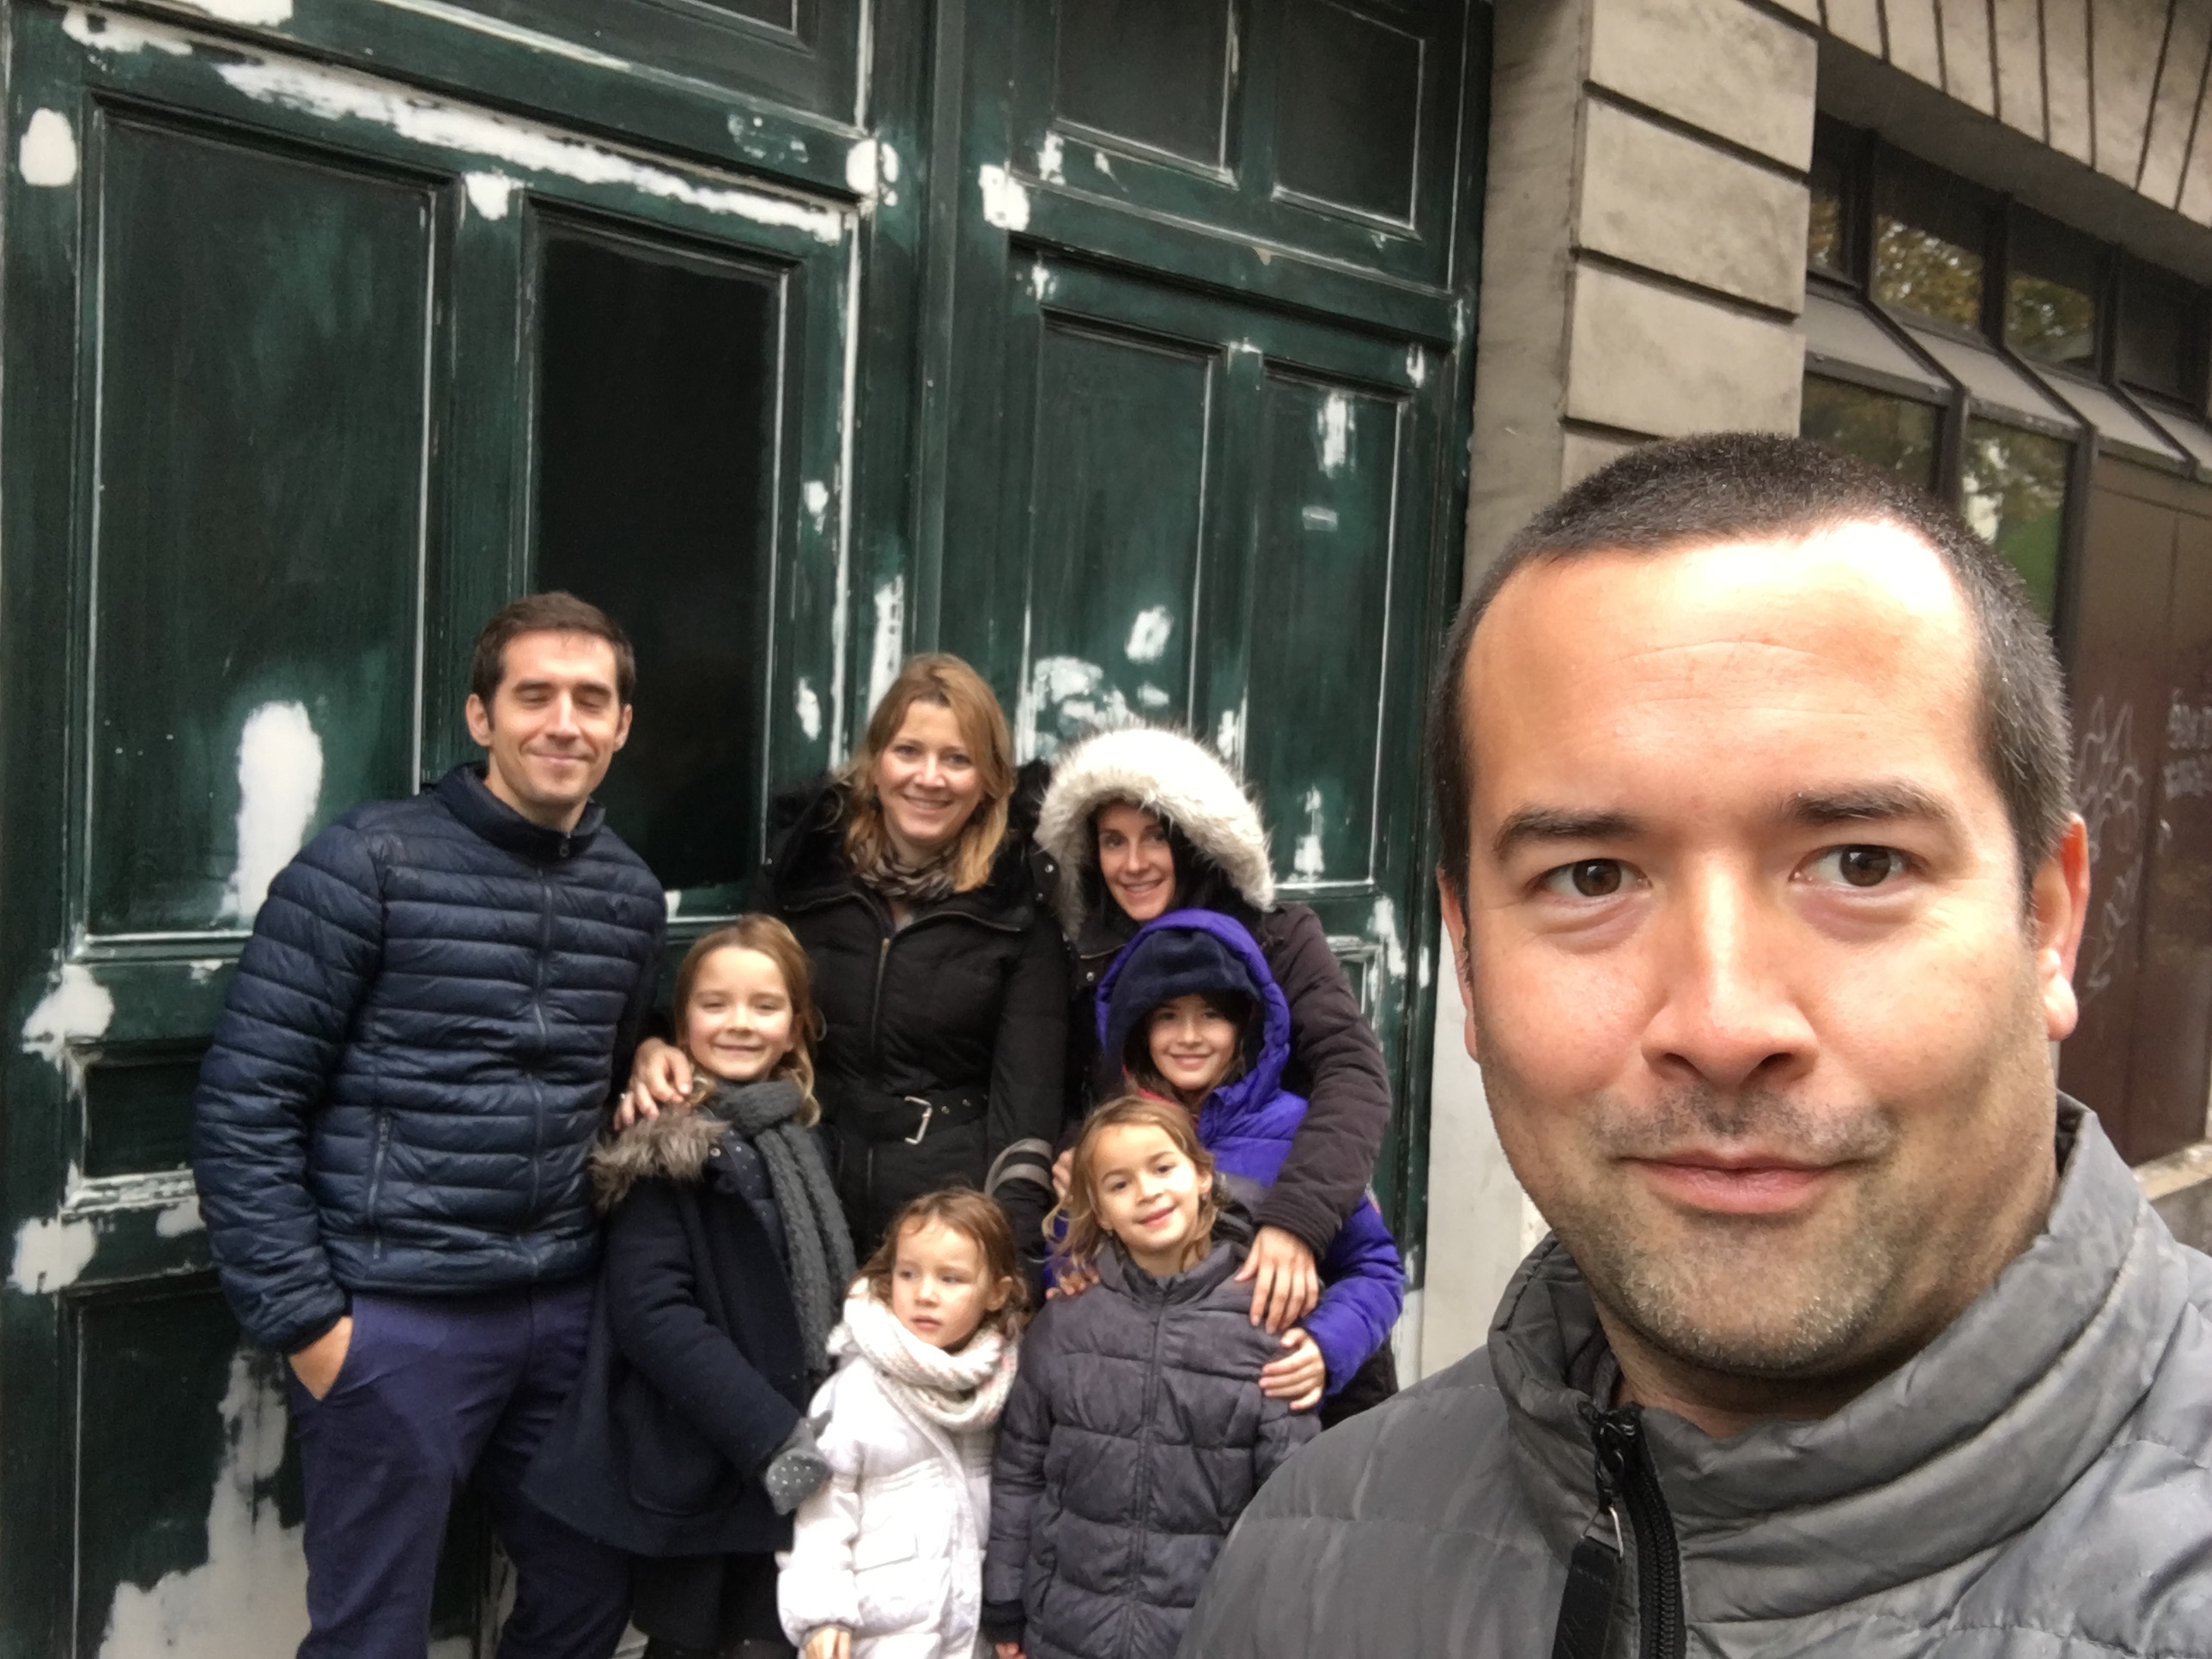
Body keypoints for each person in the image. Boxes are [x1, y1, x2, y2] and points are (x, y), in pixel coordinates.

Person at [1180, 434, 2212, 1658]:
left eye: (1860, 864)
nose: (1722, 1027)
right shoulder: (1300, 1572)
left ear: (2047, 919)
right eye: (1591, 877)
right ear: (1467, 956)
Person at [191, 592, 666, 1659]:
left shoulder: (631, 895)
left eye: (590, 700)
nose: (564, 722)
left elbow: (602, 1067)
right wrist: (312, 1328)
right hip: (397, 1316)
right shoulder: (368, 862)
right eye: (533, 696)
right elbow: (246, 1103)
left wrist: (655, 1048)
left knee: (588, 1601)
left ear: (622, 726)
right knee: (373, 1633)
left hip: (562, 1312)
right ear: (480, 716)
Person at [631, 654, 1065, 1273]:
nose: (929, 778)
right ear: (875, 761)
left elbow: (1028, 1108)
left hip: (942, 1215)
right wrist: (654, 1044)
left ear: (991, 779)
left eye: (957, 759)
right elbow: (732, 1005)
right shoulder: (805, 869)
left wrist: (1010, 1260)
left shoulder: (1019, 905)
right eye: (908, 751)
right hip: (801, 1183)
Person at [525, 917, 857, 1659]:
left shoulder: (803, 1139)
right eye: (715, 1004)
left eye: (765, 1006)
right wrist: (770, 1435)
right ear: (680, 1025)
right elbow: (652, 1313)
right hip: (713, 1460)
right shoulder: (664, 1144)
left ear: (796, 1028)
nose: (740, 1022)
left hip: (797, 1457)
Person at [1036, 726, 1395, 1379]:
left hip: (1284, 1257)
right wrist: (1077, 1156)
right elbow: (1080, 1092)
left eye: (1155, 837)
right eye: (1113, 841)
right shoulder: (1092, 957)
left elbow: (1354, 1075)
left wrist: (1298, 1221)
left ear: (1196, 840)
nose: (1133, 863)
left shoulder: (1280, 938)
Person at [983, 1096, 1316, 1659]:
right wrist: (1005, 1600)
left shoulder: (1262, 1326)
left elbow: (1292, 1500)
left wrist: (1281, 1627)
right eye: (1119, 1184)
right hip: (1066, 1627)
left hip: (1206, 1631)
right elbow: (1020, 1472)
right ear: (1100, 1212)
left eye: (1163, 1168)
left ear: (1203, 1177)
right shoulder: (1065, 1325)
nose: (1147, 1191)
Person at [1097, 908, 1404, 1424]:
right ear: (1140, 1027)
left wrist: (1325, 1345)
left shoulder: (1297, 1132)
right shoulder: (1115, 1137)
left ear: (1246, 1025)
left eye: (1211, 1015)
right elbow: (1076, 1241)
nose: (1189, 1036)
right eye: (1167, 1016)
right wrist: (1067, 1275)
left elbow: (1374, 1269)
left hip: (1279, 1420)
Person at [778, 1189, 1025, 1659]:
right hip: (873, 1637)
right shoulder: (856, 1392)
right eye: (908, 1273)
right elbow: (819, 1516)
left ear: (997, 1292)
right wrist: (822, 1614)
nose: (924, 1294)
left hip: (972, 1636)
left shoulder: (1000, 1387)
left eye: (950, 1278)